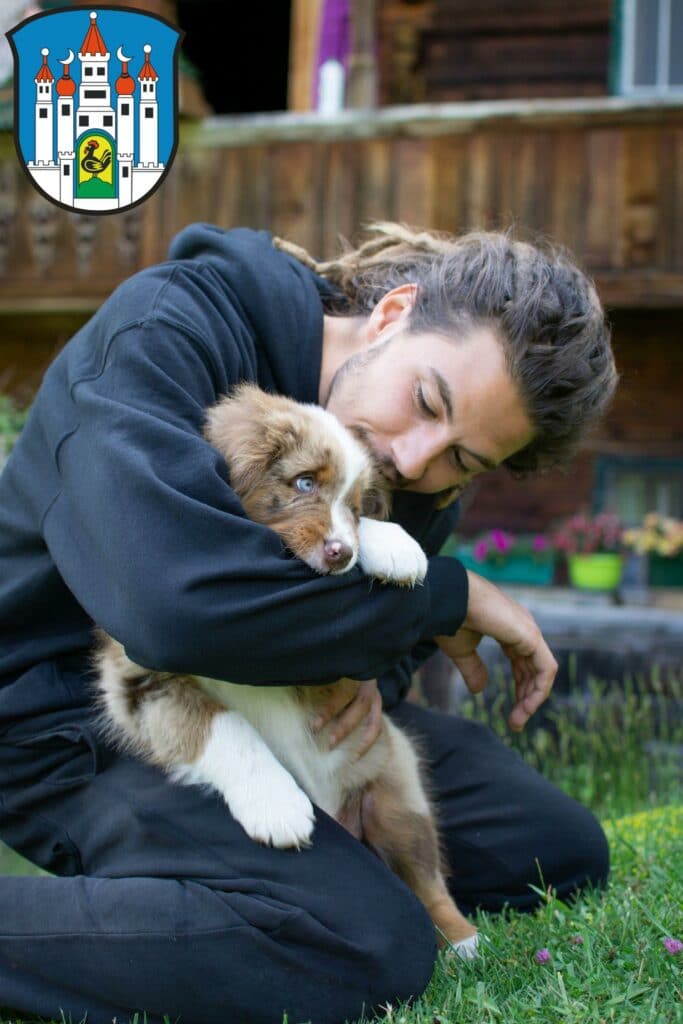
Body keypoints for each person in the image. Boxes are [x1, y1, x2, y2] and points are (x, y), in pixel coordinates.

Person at [0, 220, 617, 1024]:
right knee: (362, 941)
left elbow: (375, 649)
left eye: (464, 460)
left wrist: (369, 668)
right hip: (79, 718)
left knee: (555, 846)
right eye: (427, 400)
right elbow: (174, 604)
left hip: (287, 706)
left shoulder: (409, 470)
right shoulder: (166, 331)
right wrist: (446, 597)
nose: (416, 458)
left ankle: (231, 886)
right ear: (393, 314)